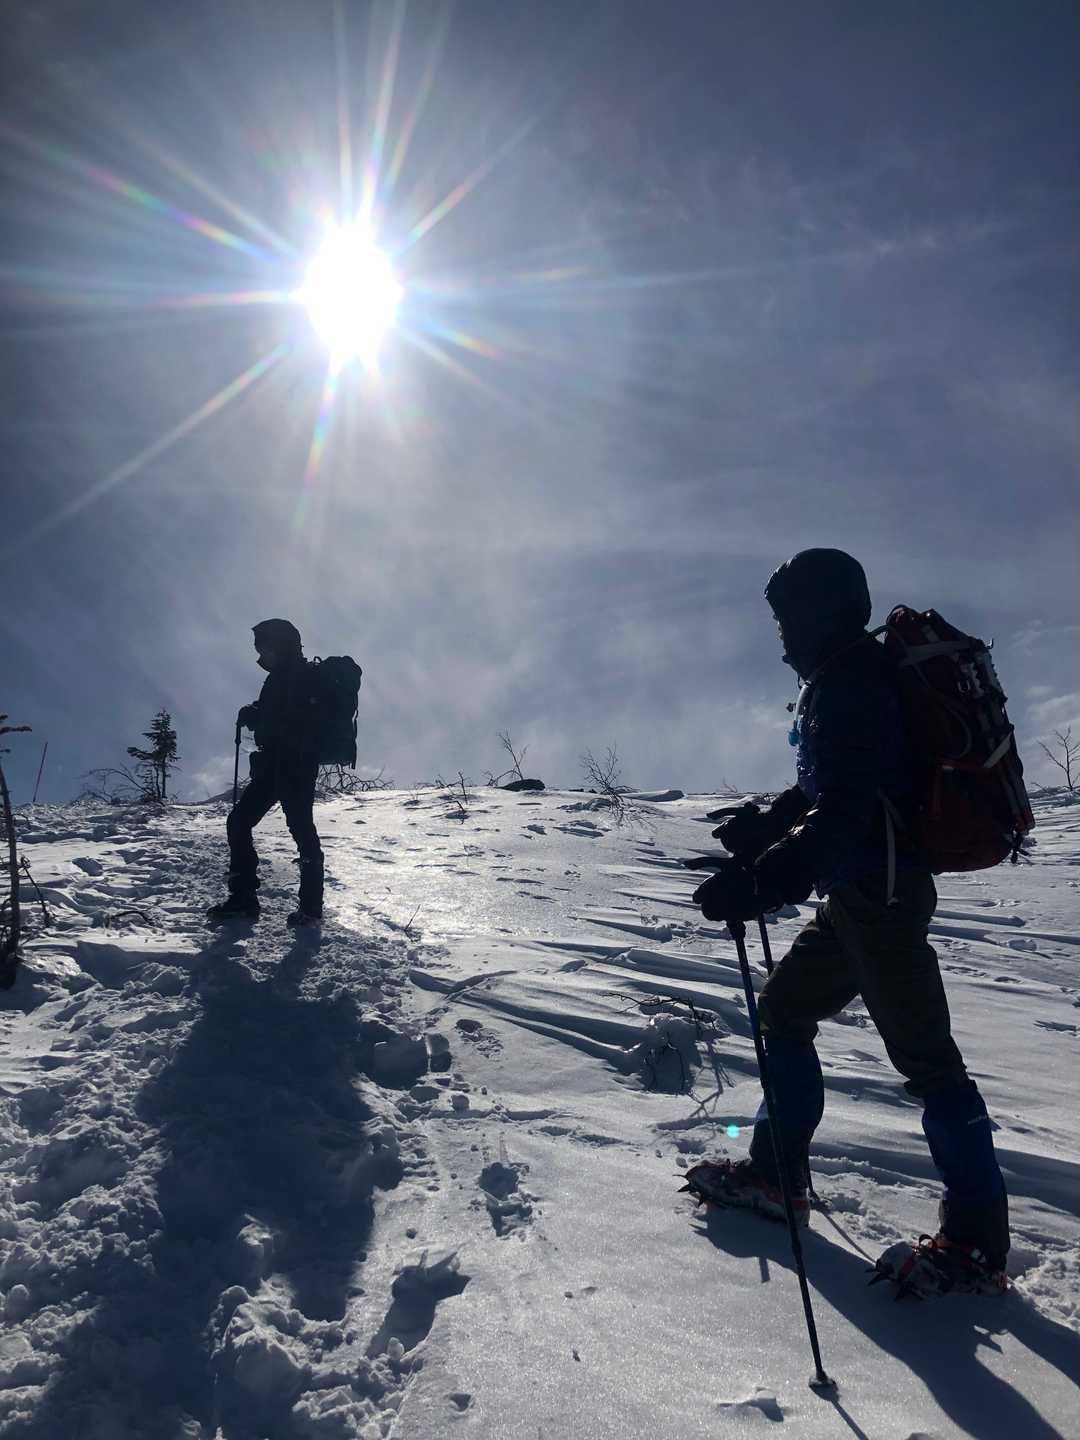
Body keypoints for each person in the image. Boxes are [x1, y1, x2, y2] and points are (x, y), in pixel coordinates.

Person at [685, 548, 1010, 1295]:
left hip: (881, 900)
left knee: (930, 1064)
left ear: (820, 612)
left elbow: (848, 807)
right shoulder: (847, 676)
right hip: (860, 897)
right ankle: (776, 1174)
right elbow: (828, 786)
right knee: (784, 1010)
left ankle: (976, 1243)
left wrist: (767, 879)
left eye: (786, 618)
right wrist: (766, 827)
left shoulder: (852, 684)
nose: (781, 635)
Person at [207, 618, 324, 928]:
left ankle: (309, 908)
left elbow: (291, 720)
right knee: (241, 822)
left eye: (264, 647)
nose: (260, 654)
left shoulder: (300, 675)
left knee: (300, 830)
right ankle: (244, 899)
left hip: (295, 765)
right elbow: (274, 713)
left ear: (280, 645)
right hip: (275, 765)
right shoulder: (280, 677)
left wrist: (258, 717)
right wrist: (255, 712)